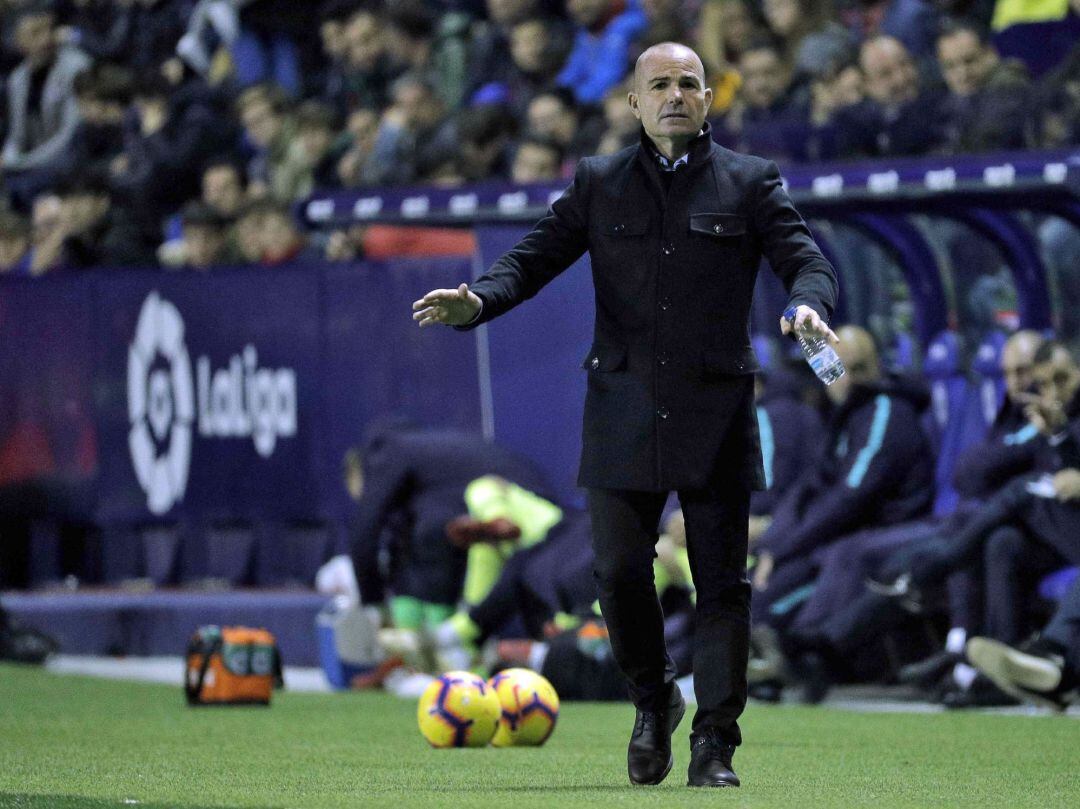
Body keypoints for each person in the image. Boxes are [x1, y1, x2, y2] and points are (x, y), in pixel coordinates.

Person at [411, 42, 838, 789]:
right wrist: (479, 300)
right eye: (660, 84)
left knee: (721, 587)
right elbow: (534, 257)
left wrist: (808, 304)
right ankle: (653, 699)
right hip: (623, 407)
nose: (676, 94)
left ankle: (715, 744)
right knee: (614, 571)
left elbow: (807, 258)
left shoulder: (749, 181)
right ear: (633, 103)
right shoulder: (600, 181)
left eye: (690, 84)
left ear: (709, 98)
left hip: (715, 411)